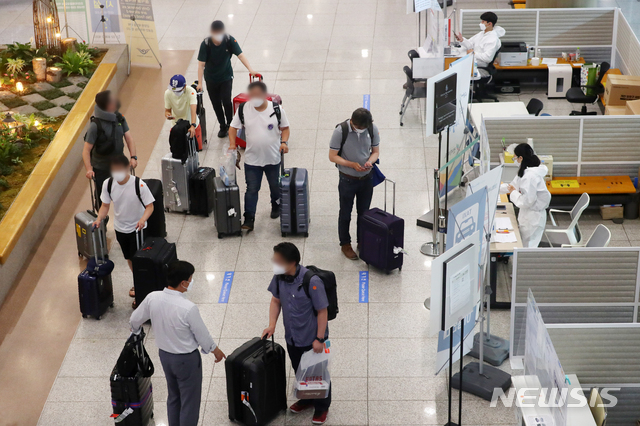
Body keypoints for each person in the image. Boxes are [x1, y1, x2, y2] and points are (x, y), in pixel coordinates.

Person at [130, 260, 225, 426]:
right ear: (183, 283)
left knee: (174, 397)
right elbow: (202, 335)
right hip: (186, 360)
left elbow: (134, 320)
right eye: (190, 279)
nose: (191, 282)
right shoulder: (188, 308)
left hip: (165, 356)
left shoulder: (153, 297)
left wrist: (137, 333)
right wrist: (215, 350)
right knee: (190, 401)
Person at [262, 243, 330, 425]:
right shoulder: (279, 277)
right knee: (299, 369)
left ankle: (322, 406)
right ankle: (307, 399)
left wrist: (319, 339)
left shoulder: (312, 282)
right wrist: (272, 324)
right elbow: (276, 301)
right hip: (292, 337)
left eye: (277, 261)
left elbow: (323, 311)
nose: (274, 264)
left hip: (312, 338)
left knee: (318, 373)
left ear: (292, 263)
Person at [229, 81, 290, 232]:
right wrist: (232, 144)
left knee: (275, 186)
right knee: (251, 189)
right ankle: (249, 218)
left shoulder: (277, 109)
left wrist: (284, 142)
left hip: (272, 158)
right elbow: (232, 127)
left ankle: (275, 205)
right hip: (252, 159)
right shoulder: (243, 109)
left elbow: (285, 128)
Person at [93, 155, 154, 303]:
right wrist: (99, 218)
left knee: (138, 259)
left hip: (137, 229)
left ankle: (141, 289)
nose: (117, 173)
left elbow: (150, 206)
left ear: (128, 168)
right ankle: (138, 282)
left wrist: (142, 219)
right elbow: (105, 205)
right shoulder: (108, 184)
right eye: (114, 170)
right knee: (129, 258)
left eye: (120, 170)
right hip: (120, 228)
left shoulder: (138, 184)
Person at [329, 108, 380, 260]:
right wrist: (351, 164)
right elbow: (332, 156)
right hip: (347, 179)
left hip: (366, 178)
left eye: (365, 128)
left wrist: (370, 162)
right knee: (345, 213)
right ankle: (345, 243)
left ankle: (362, 241)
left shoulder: (371, 128)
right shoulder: (341, 131)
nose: (363, 130)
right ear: (353, 122)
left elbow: (375, 151)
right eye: (360, 128)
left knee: (364, 213)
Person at [197, 20, 257, 138]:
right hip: (211, 78)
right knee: (216, 103)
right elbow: (201, 65)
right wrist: (200, 83)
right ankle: (222, 125)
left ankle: (231, 125)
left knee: (226, 101)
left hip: (226, 77)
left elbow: (240, 55)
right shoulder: (206, 44)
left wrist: (251, 69)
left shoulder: (229, 40)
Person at [83, 90, 137, 206]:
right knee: (103, 199)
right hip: (101, 168)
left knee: (125, 194)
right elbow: (86, 150)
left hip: (119, 165)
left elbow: (129, 138)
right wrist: (89, 169)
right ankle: (102, 220)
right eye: (113, 100)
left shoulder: (119, 118)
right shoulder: (95, 126)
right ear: (107, 105)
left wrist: (133, 157)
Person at [500, 143, 551, 248]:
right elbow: (512, 186)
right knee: (524, 245)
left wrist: (514, 193)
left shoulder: (530, 176)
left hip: (533, 218)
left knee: (528, 249)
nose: (514, 160)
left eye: (515, 158)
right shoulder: (526, 172)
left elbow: (527, 202)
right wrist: (493, 189)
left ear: (521, 158)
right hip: (528, 215)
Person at [164, 74, 198, 139]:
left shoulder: (191, 92)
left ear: (184, 86)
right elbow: (167, 110)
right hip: (176, 126)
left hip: (191, 124)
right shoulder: (167, 93)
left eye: (178, 90)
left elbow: (193, 109)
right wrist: (168, 115)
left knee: (196, 147)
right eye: (174, 90)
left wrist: (193, 125)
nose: (176, 92)